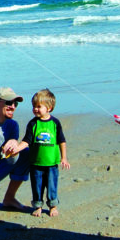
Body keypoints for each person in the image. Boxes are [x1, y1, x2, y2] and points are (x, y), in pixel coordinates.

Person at [23, 88, 70, 218]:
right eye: (34, 106)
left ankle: (53, 205)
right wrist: (17, 148)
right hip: (36, 162)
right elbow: (27, 140)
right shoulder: (33, 123)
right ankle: (38, 206)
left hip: (51, 162)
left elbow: (61, 140)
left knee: (52, 185)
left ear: (49, 108)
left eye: (39, 106)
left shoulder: (55, 123)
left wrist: (64, 158)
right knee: (37, 186)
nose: (35, 109)